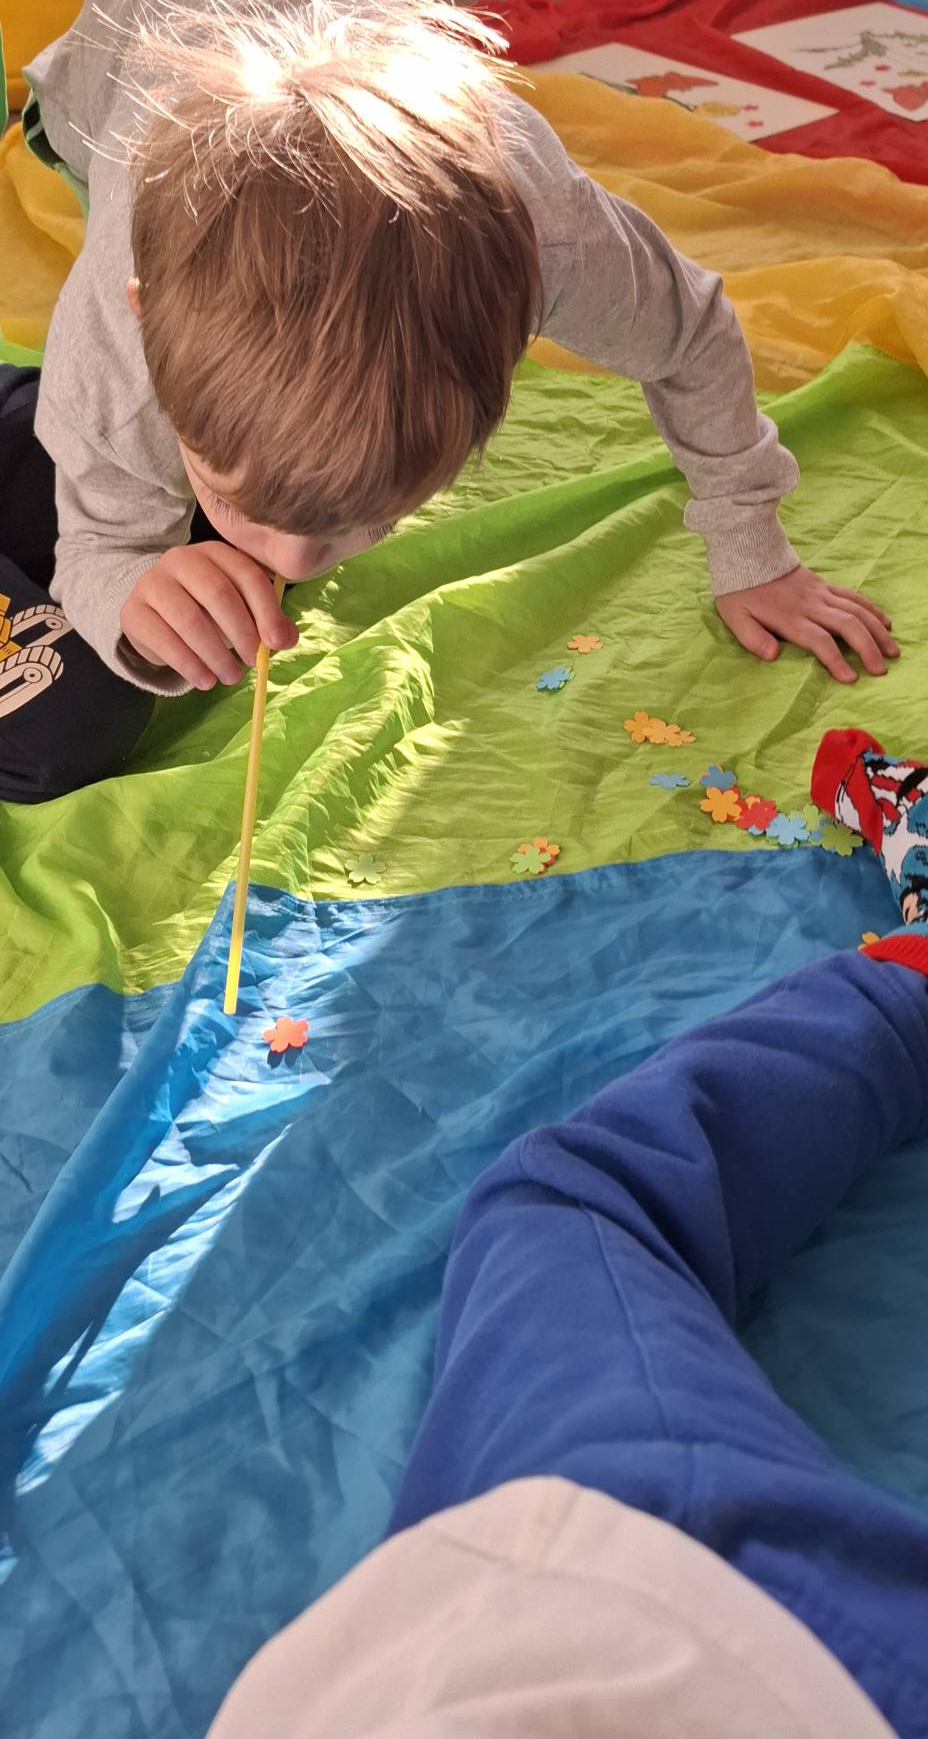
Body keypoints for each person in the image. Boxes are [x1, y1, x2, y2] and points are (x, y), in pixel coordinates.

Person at [1, 0, 897, 802]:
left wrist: (752, 548)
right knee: (124, 459)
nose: (293, 564)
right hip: (115, 53)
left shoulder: (560, 249)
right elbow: (96, 546)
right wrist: (128, 579)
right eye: (244, 510)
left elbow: (694, 333)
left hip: (310, 1)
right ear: (144, 315)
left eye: (370, 518)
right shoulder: (113, 342)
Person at [208, 728, 928, 1739]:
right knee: (566, 1209)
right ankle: (909, 987)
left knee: (562, 1214)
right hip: (683, 1637)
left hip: (594, 1638)